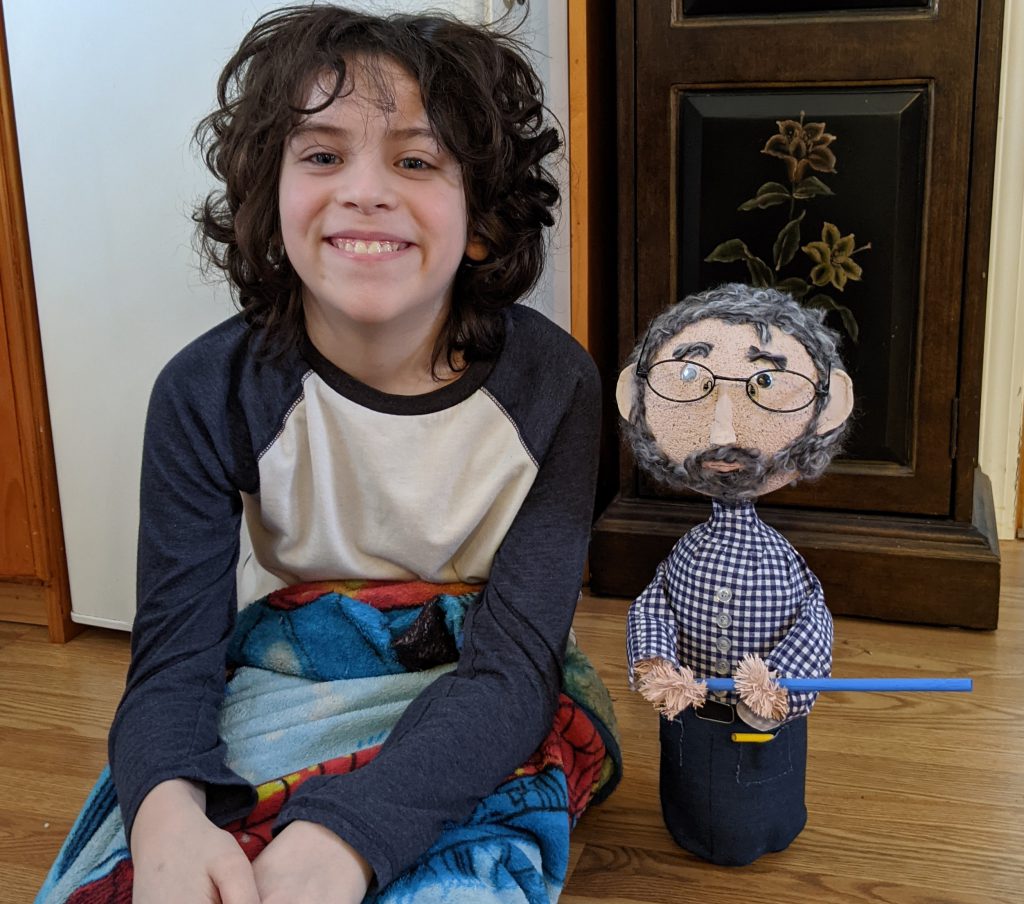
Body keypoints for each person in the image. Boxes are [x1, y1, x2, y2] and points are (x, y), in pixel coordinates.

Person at [40, 6, 614, 903]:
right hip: (295, 663)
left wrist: (344, 839)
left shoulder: (556, 388)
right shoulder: (204, 391)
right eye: (321, 156)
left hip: (488, 682)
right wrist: (165, 817)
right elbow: (172, 660)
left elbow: (513, 672)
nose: (365, 190)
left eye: (416, 161)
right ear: (271, 194)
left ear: (484, 216)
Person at [615, 283, 854, 866]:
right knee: (694, 790)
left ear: (829, 406)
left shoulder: (782, 563)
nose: (723, 431)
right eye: (692, 382)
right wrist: (658, 666)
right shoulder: (687, 555)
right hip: (692, 714)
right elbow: (655, 605)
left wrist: (781, 690)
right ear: (637, 397)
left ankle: (769, 820)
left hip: (765, 719)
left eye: (765, 384)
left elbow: (812, 620)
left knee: (763, 786)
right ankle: (692, 818)